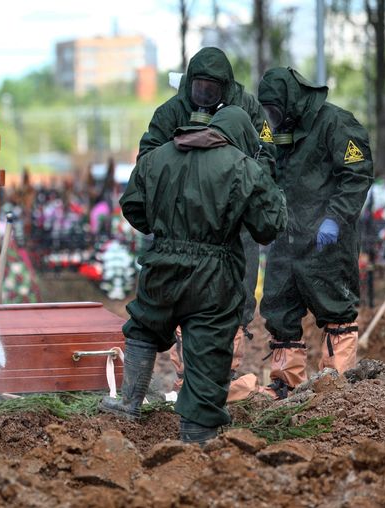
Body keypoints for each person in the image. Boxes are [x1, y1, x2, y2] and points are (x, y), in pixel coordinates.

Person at [100, 106, 287, 444]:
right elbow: (268, 227)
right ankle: (196, 436)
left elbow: (132, 206)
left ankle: (128, 404)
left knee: (144, 327)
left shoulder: (159, 157)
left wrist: (166, 230)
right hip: (213, 276)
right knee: (207, 348)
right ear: (242, 137)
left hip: (162, 265)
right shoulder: (243, 166)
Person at [136, 46, 275, 399]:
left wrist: (245, 194)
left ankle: (219, 378)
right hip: (181, 221)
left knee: (235, 294)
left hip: (231, 221)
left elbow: (266, 157)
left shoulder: (248, 109)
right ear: (189, 84)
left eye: (211, 88)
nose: (203, 95)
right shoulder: (171, 111)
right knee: (167, 298)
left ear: (225, 87)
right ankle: (189, 382)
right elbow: (147, 162)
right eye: (198, 87)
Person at [257, 67, 373, 398]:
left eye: (274, 110)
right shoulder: (279, 130)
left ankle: (335, 383)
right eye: (267, 110)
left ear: (291, 102)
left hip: (328, 240)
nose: (271, 117)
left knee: (335, 306)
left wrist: (335, 217)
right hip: (287, 234)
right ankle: (285, 381)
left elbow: (357, 173)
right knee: (279, 305)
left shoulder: (336, 124)